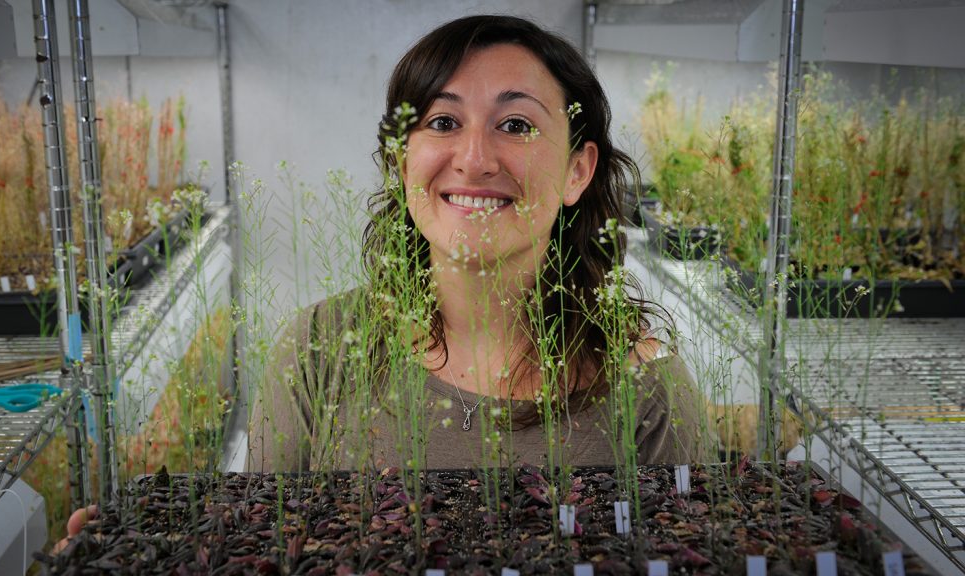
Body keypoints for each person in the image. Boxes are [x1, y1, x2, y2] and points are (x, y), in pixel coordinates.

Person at [246, 15, 710, 474]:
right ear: (401, 161)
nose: (474, 160)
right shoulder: (316, 350)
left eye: (515, 125)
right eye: (444, 121)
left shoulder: (650, 393)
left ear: (577, 171)